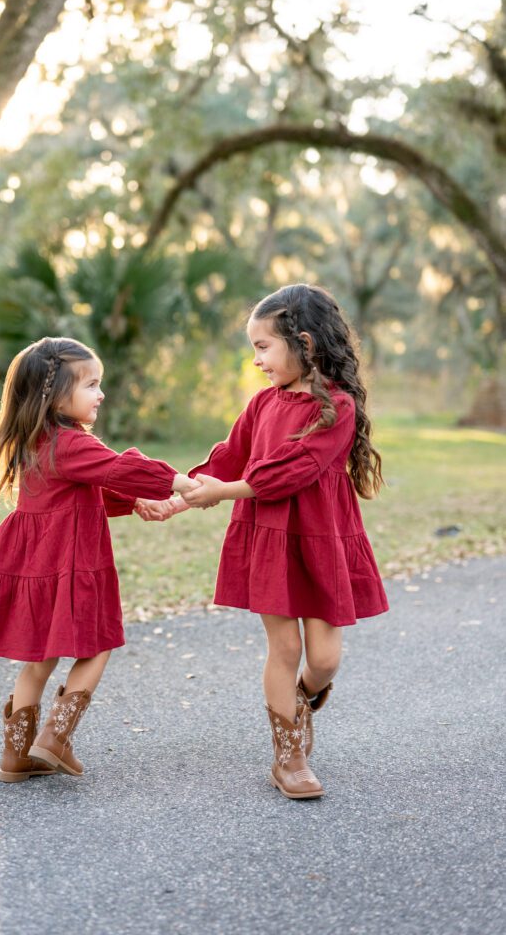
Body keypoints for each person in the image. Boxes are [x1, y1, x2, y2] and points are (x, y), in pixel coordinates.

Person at [0, 336, 198, 783]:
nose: (101, 394)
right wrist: (178, 482)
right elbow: (117, 468)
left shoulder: (38, 441)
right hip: (72, 565)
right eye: (92, 385)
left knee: (39, 660)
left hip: (35, 564)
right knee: (98, 644)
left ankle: (16, 756)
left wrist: (135, 502)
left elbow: (86, 488)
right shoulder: (71, 443)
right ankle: (56, 738)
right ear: (56, 394)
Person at [182, 284, 388, 799]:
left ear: (305, 343)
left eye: (262, 347)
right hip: (269, 537)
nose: (256, 361)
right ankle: (288, 756)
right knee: (285, 645)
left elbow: (292, 472)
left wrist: (223, 492)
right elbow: (229, 457)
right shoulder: (261, 406)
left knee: (323, 659)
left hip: (320, 540)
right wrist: (180, 494)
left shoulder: (336, 408)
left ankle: (301, 700)